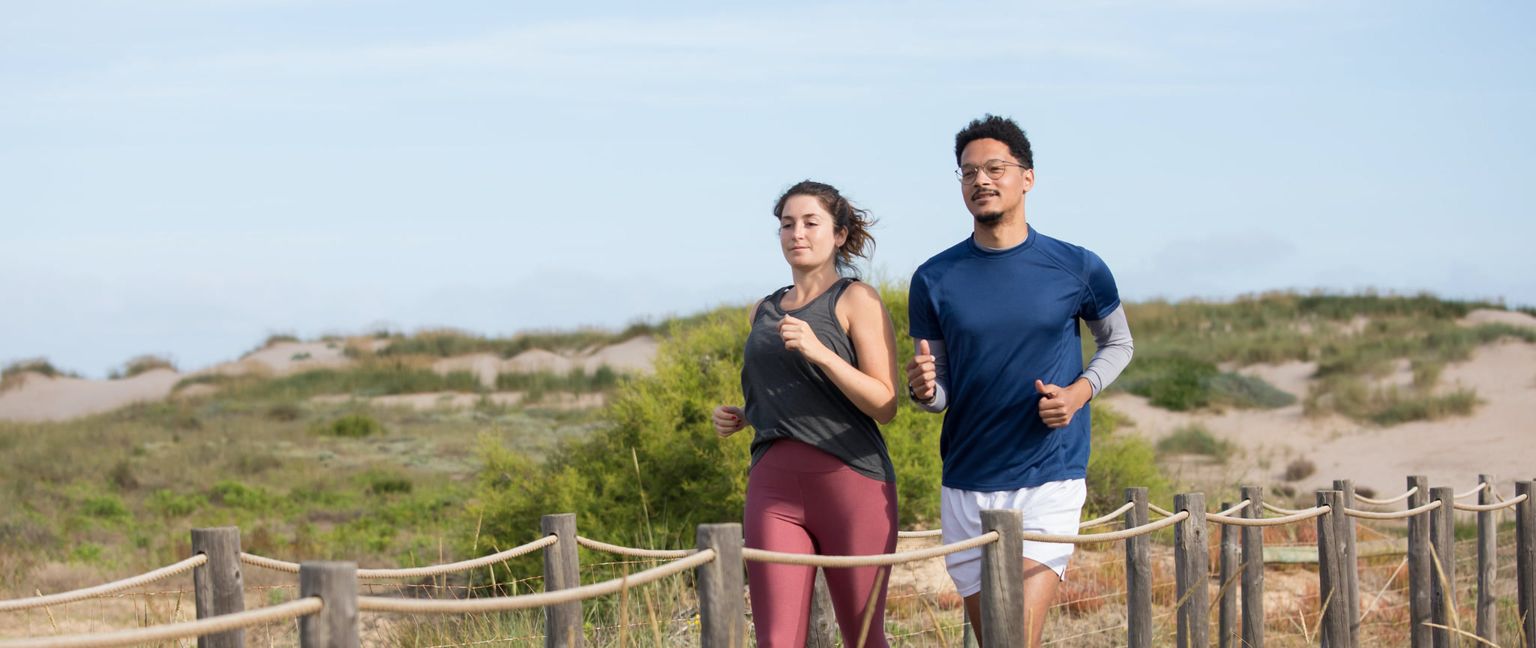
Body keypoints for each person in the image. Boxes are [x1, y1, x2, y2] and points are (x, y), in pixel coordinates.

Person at [904, 115, 1135, 647]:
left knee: (1015, 639)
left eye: (994, 168)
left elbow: (1118, 343)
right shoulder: (933, 278)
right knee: (995, 642)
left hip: (1047, 476)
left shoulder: (1077, 266)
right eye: (967, 172)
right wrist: (924, 390)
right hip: (965, 480)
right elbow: (938, 396)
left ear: (1027, 177)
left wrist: (1077, 395)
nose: (980, 180)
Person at [713, 180, 900, 647]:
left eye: (810, 222)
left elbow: (885, 403)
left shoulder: (858, 299)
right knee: (776, 640)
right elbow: (790, 394)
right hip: (773, 487)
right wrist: (744, 414)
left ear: (838, 235)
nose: (797, 232)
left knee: (863, 637)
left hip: (852, 482)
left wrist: (823, 353)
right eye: (786, 224)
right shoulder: (763, 309)